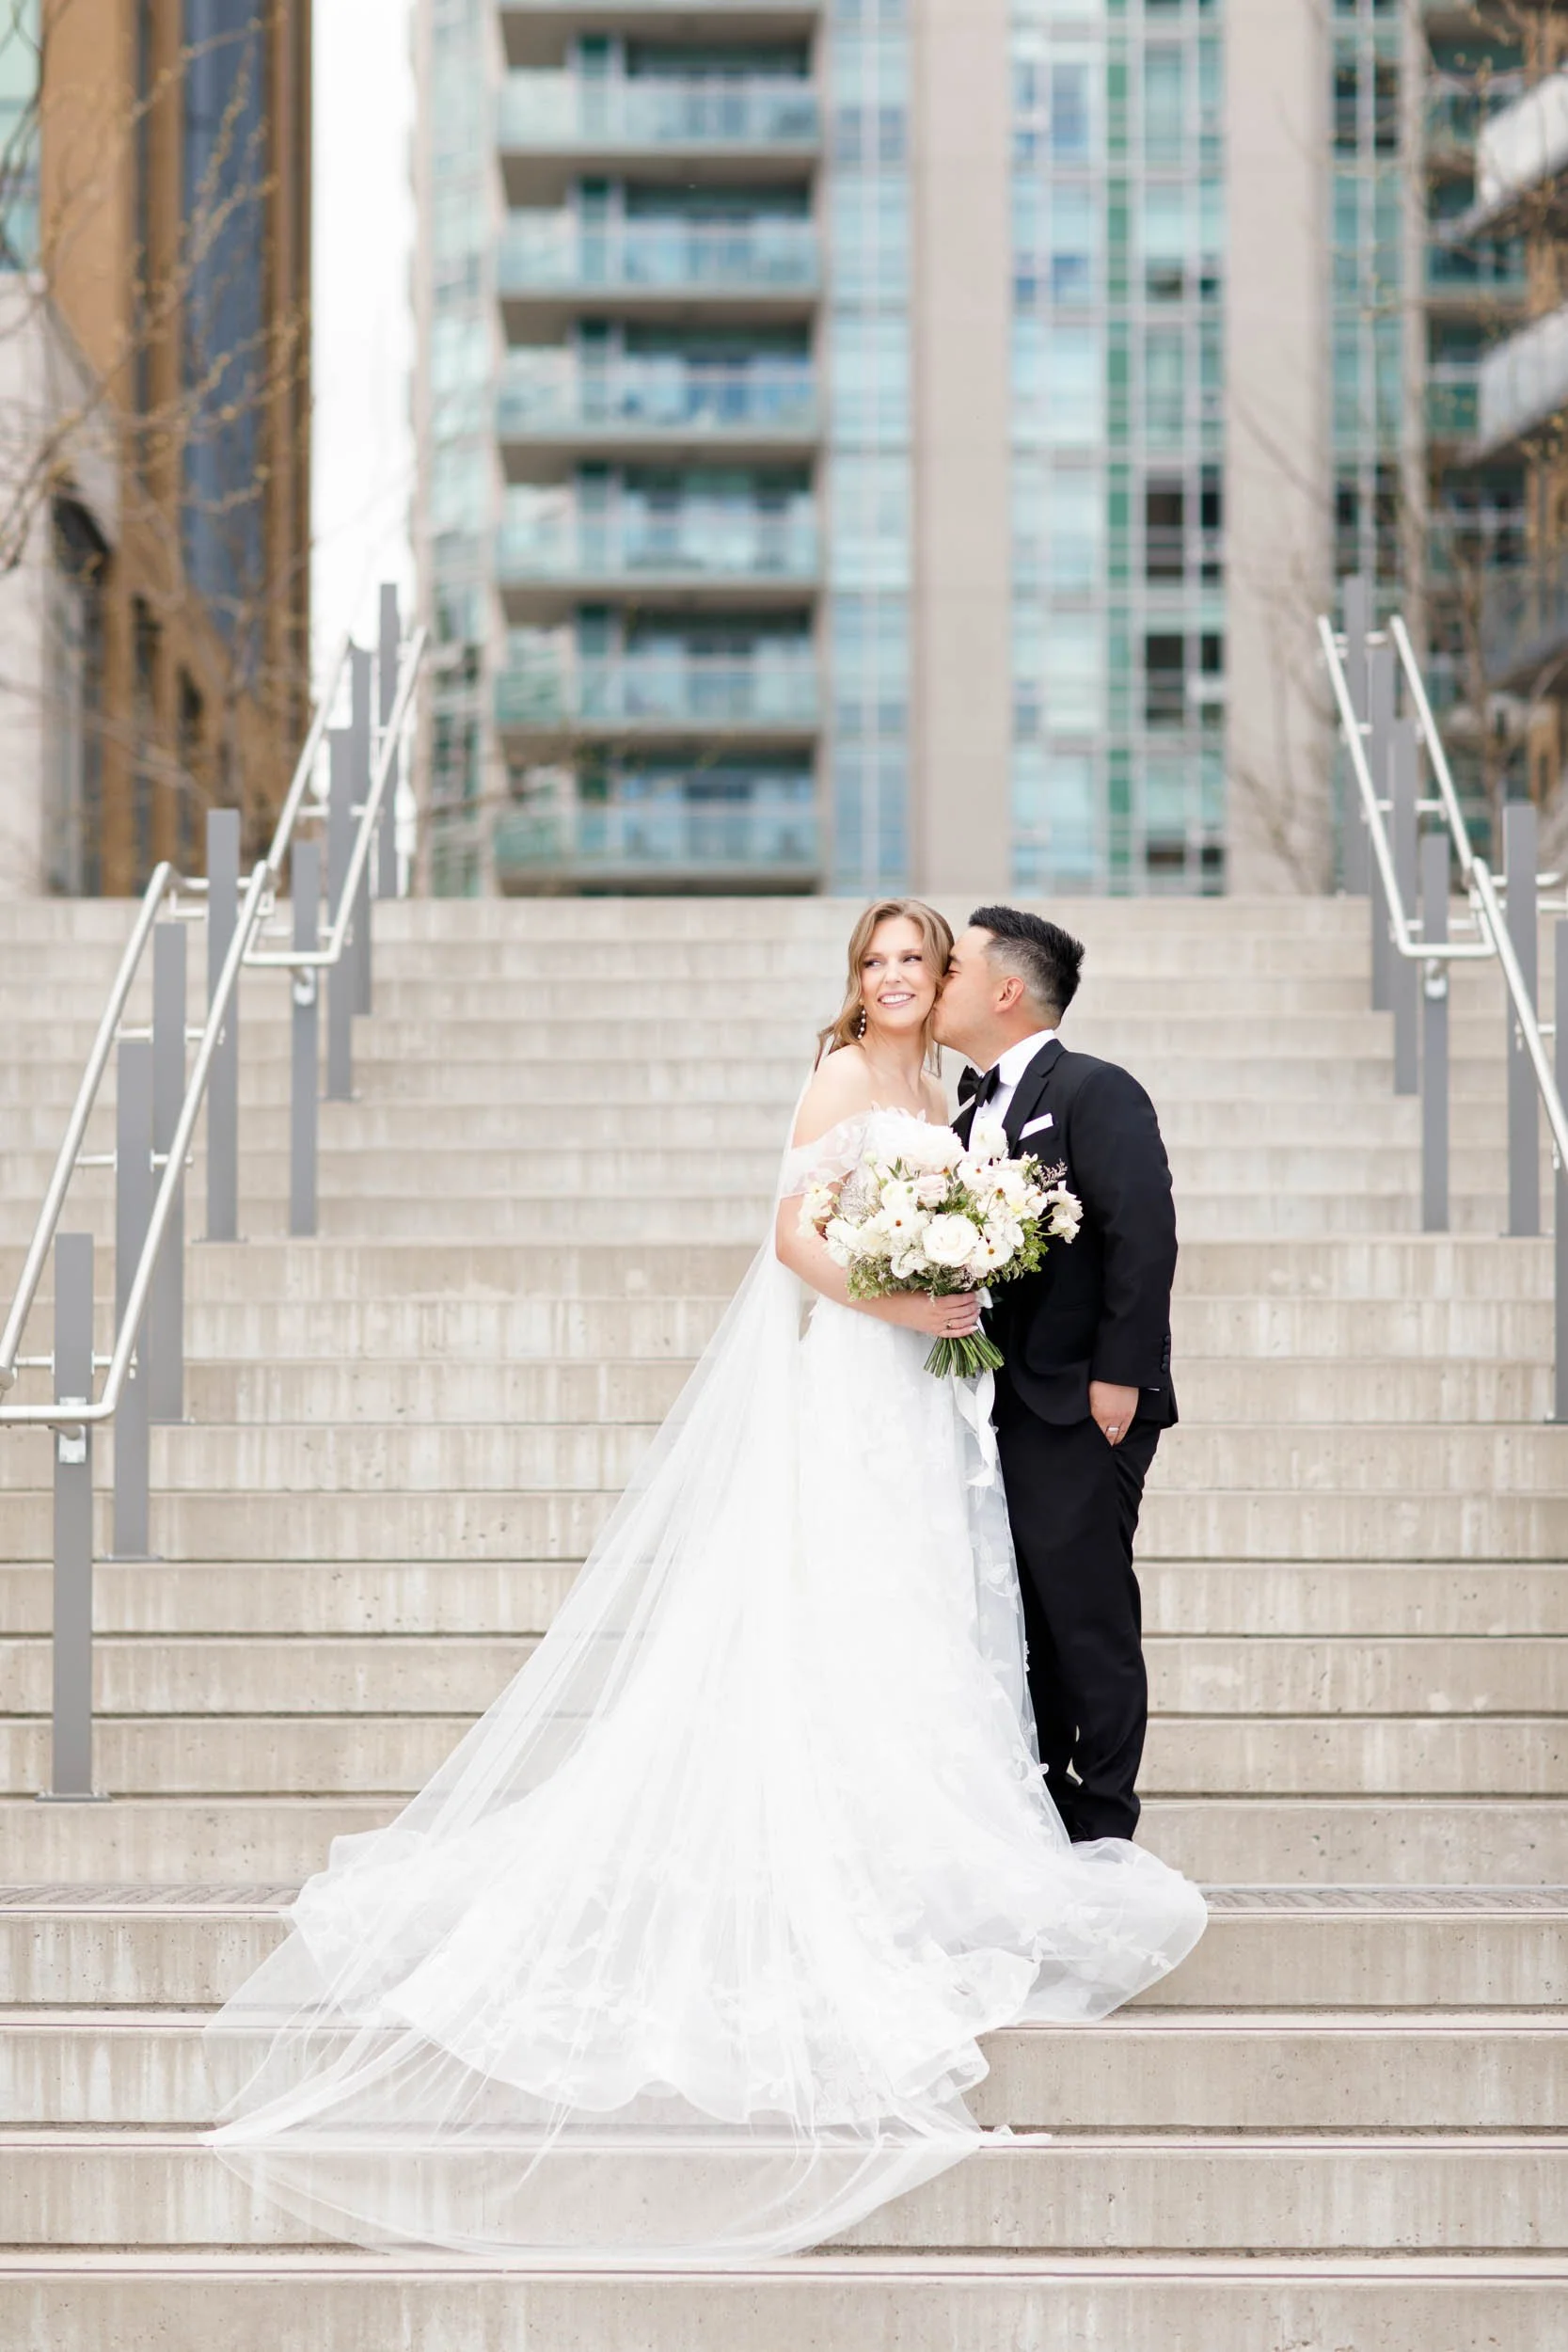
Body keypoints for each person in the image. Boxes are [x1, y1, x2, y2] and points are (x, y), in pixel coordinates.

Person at [204, 898, 1203, 2267]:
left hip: (939, 1405)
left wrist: (988, 1315)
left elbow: (1059, 1236)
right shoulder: (847, 1077)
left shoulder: (961, 1096)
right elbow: (794, 1237)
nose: (908, 976)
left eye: (926, 959)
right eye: (885, 960)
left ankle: (989, 1821)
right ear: (856, 979)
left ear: (965, 988)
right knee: (850, 1603)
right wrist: (904, 1302)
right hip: (865, 1371)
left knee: (943, 1612)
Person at [936, 906, 1179, 1845]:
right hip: (993, 1406)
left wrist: (1118, 1377)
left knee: (1084, 1615)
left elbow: (1141, 1234)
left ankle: (1105, 1821)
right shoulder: (961, 1114)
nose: (933, 980)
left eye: (949, 966)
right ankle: (1039, 1811)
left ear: (1004, 989)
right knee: (1020, 1618)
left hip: (1081, 1401)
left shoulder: (1092, 1089)